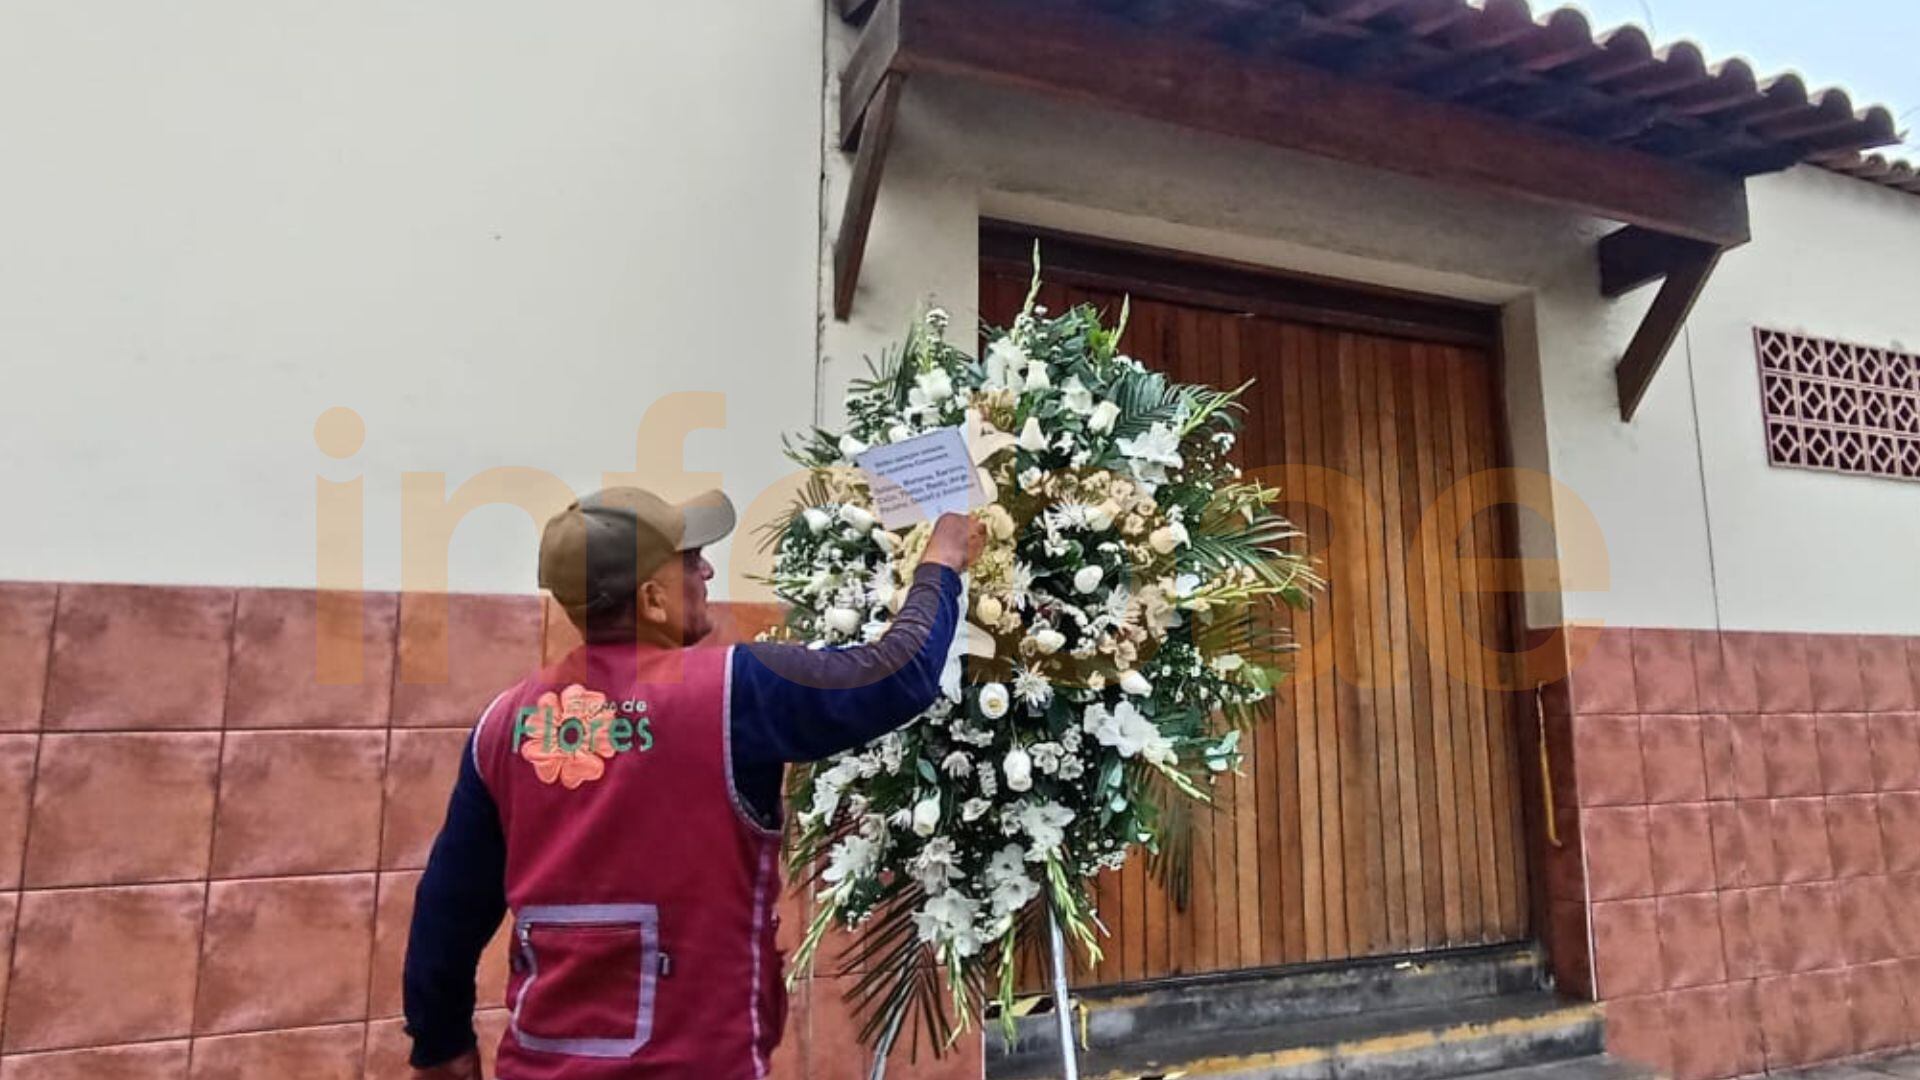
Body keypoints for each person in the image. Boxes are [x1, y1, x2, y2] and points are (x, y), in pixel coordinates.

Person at [402, 486, 982, 1079]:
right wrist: (941, 560)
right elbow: (897, 677)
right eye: (689, 561)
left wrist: (440, 1047)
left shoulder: (506, 724)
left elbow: (448, 910)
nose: (705, 570)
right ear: (652, 599)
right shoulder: (734, 691)